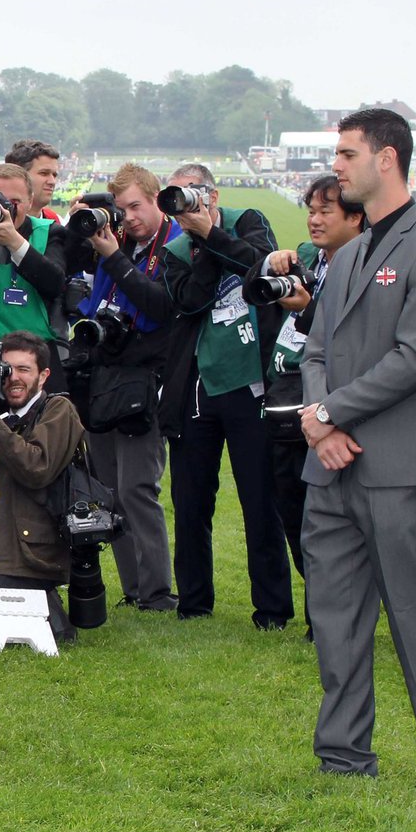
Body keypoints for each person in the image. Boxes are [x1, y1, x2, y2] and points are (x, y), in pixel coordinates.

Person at [300, 108, 416, 791]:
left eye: (346, 153)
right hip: (329, 467)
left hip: (398, 468)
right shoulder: (346, 257)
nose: (335, 166)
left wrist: (330, 412)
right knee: (334, 618)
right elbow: (315, 349)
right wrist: (320, 423)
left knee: (415, 618)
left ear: (386, 160)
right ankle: (343, 756)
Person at [158, 163, 292, 628]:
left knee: (261, 497)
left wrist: (212, 234)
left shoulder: (249, 220)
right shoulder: (176, 249)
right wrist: (200, 240)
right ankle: (194, 602)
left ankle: (272, 608)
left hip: (251, 376)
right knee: (192, 500)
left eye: (191, 194)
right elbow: (191, 300)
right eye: (175, 197)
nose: (184, 205)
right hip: (198, 383)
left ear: (212, 194)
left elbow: (259, 270)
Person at [249, 174, 364, 638]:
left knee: (332, 522)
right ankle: (321, 610)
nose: (314, 221)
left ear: (355, 218)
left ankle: (331, 619)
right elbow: (251, 291)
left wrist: (307, 307)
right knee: (294, 516)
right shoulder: (309, 257)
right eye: (311, 211)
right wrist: (268, 263)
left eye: (325, 212)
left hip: (331, 409)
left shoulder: (368, 266)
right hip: (284, 407)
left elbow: (351, 335)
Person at [63, 164, 176, 612]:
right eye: (121, 209)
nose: (128, 218)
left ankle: (156, 590)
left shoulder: (172, 246)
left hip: (143, 382)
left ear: (156, 198)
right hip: (103, 378)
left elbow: (155, 309)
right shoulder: (118, 243)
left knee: (137, 489)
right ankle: (134, 589)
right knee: (108, 489)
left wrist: (113, 258)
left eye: (136, 206)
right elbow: (93, 304)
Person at [0, 331, 85, 646]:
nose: (13, 378)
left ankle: (48, 613)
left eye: (24, 370)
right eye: (5, 369)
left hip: (19, 555)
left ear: (44, 375)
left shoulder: (58, 410)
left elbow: (36, 467)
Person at [0, 163, 68, 381]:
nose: (5, 210)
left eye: (14, 203)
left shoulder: (48, 232)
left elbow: (55, 283)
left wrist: (15, 242)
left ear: (30, 202)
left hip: (36, 354)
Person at [4, 139, 63, 221]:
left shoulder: (56, 221)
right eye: (44, 173)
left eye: (54, 175)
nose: (52, 182)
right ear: (17, 175)